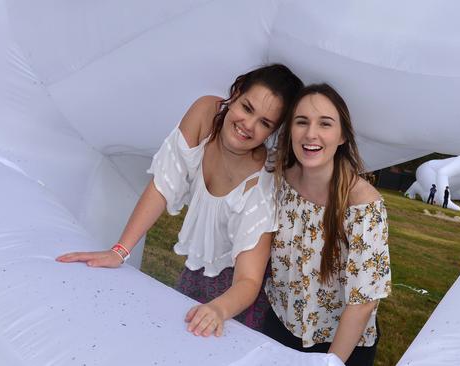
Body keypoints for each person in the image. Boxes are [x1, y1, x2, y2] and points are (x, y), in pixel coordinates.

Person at [56, 64, 304, 337]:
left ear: (273, 132)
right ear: (235, 94)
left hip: (240, 294)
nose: (249, 125)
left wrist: (219, 310)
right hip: (197, 269)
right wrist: (119, 251)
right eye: (247, 108)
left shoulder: (261, 182)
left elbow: (248, 279)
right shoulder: (204, 113)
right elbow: (163, 184)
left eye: (265, 123)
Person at [262, 84, 391, 365]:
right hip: (278, 327)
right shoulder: (277, 177)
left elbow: (364, 301)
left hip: (341, 345)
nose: (311, 134)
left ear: (342, 135)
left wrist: (330, 363)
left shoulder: (363, 205)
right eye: (302, 122)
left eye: (325, 123)